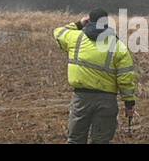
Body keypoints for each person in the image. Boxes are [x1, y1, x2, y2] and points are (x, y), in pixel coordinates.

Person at [54, 8, 138, 143]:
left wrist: (79, 24)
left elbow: (58, 32)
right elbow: (125, 79)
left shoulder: (76, 37)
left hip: (81, 98)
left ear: (89, 20)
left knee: (75, 139)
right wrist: (129, 103)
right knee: (101, 140)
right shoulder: (118, 46)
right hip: (107, 100)